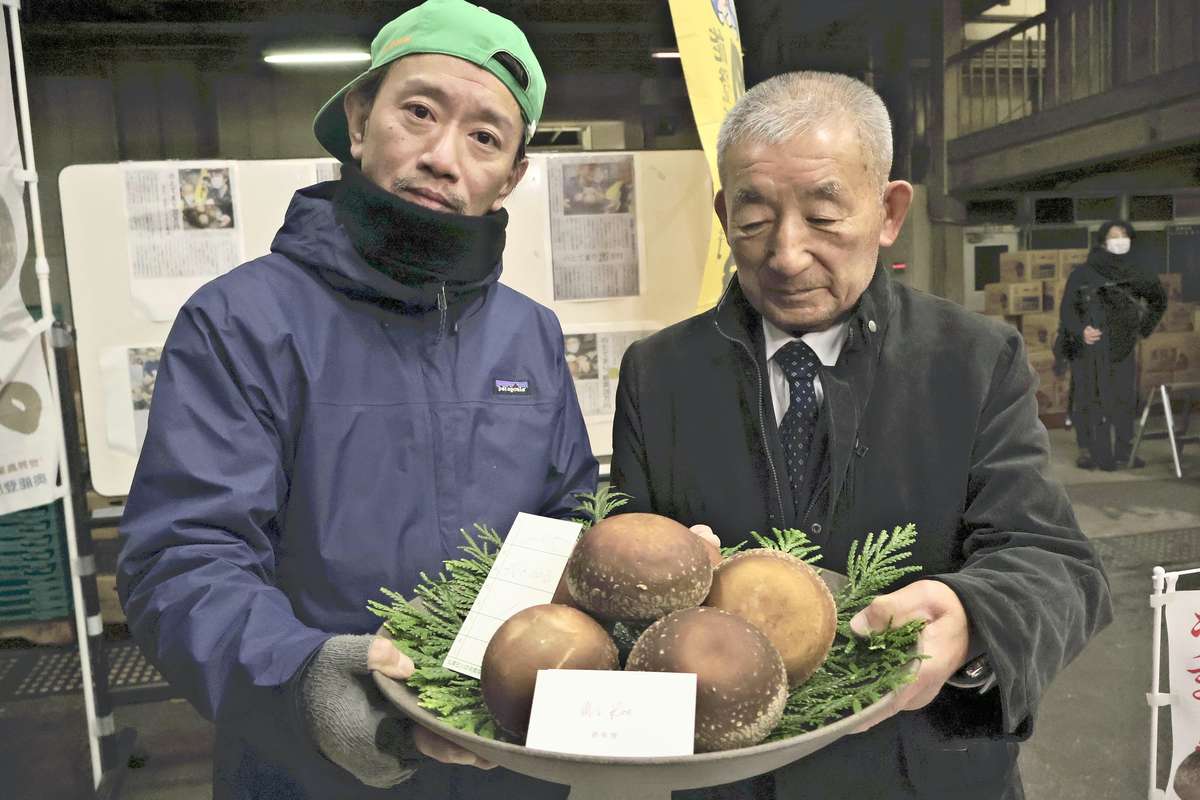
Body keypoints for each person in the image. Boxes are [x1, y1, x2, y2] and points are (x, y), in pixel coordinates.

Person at [117, 2, 597, 798]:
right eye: (418, 111)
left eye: (485, 137)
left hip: (511, 764)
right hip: (312, 766)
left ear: (510, 177)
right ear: (358, 119)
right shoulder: (242, 321)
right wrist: (304, 678)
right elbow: (185, 555)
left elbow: (566, 513)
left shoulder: (530, 335)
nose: (444, 156)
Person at [611, 71, 1112, 800]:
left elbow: (1056, 563)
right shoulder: (660, 375)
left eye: (823, 215)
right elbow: (623, 560)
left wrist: (973, 616)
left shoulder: (972, 360)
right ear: (724, 214)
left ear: (888, 210)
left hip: (923, 770)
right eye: (754, 218)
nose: (786, 254)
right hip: (732, 778)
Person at [1060, 221, 1167, 470]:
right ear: (1102, 241)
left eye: (1124, 236)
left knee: (1123, 399)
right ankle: (1088, 449)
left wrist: (1142, 329)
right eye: (1114, 236)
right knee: (1089, 398)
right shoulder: (1084, 273)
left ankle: (1123, 449)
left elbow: (1158, 301)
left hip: (1124, 345)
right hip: (1090, 346)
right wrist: (1080, 331)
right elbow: (1067, 310)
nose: (1120, 240)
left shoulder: (1139, 271)